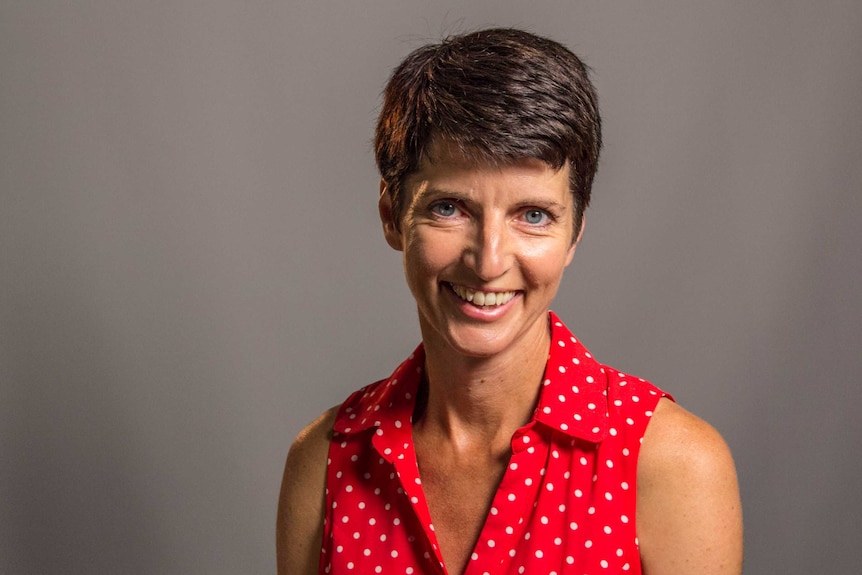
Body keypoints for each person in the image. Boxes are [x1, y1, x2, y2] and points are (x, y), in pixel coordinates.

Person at [277, 28, 742, 575]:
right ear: (391, 215)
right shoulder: (326, 463)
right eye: (450, 208)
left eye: (534, 215)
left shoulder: (671, 465)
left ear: (575, 234)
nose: (489, 260)